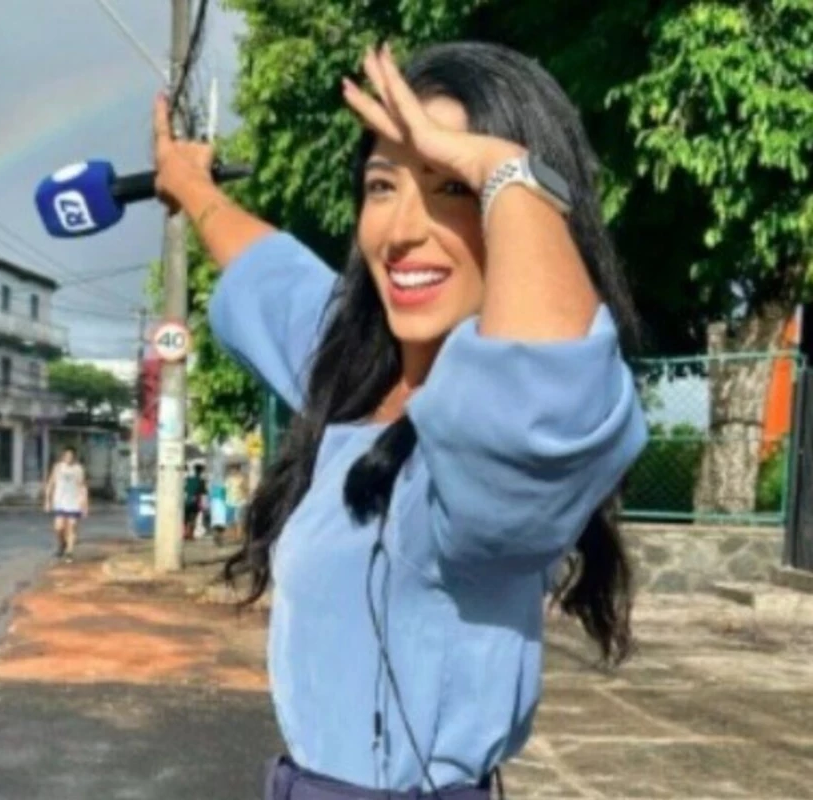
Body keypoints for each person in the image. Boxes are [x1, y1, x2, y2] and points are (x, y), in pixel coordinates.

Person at [152, 42, 647, 799]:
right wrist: (191, 184)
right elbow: (273, 279)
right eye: (382, 186)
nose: (401, 231)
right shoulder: (358, 376)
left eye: (453, 186)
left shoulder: (484, 454)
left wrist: (509, 170)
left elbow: (544, 394)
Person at [43, 446, 87, 562]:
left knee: (72, 527)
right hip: (60, 501)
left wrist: (85, 504)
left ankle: (69, 552)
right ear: (63, 456)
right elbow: (50, 483)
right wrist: (47, 500)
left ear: (74, 457)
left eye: (71, 456)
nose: (69, 458)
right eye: (67, 456)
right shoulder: (58, 467)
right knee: (58, 527)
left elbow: (82, 486)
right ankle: (62, 543)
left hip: (74, 502)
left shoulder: (78, 469)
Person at [224, 464, 248, 543]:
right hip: (229, 502)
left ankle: (238, 537)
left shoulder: (242, 479)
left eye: (234, 470)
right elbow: (225, 490)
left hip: (240, 502)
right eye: (231, 470)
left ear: (238, 470)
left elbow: (246, 490)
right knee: (230, 521)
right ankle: (233, 537)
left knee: (238, 520)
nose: (232, 471)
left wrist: (244, 498)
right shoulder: (228, 479)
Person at [183, 463, 208, 540]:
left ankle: (185, 534)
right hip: (196, 501)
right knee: (193, 518)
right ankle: (190, 535)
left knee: (186, 518)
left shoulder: (189, 479)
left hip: (187, 501)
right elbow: (204, 492)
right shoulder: (201, 481)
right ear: (201, 471)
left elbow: (185, 489)